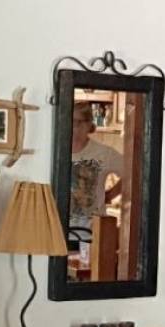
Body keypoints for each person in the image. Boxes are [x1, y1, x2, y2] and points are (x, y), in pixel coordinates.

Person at [69, 101, 123, 237]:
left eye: (78, 122)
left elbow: (133, 175)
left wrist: (110, 195)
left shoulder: (104, 153)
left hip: (93, 233)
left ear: (89, 124)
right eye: (70, 121)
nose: (74, 127)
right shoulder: (57, 149)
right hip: (59, 231)